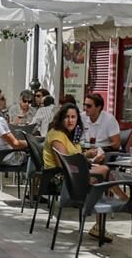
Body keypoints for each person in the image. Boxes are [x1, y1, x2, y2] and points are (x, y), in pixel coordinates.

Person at [44, 102, 120, 240]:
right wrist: (86, 170)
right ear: (61, 118)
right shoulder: (56, 135)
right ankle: (124, 200)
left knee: (102, 175)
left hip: (71, 177)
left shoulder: (69, 135)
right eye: (67, 117)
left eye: (73, 117)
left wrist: (86, 157)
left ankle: (100, 225)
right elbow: (64, 163)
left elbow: (72, 159)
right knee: (104, 172)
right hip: (60, 181)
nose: (70, 120)